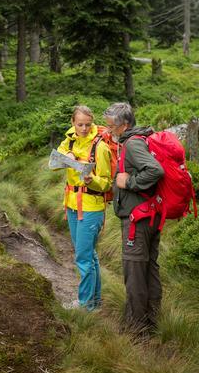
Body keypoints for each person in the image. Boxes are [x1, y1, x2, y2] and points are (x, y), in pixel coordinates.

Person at [104, 101, 164, 337]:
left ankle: (135, 329)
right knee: (149, 269)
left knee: (135, 273)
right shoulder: (138, 140)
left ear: (125, 125)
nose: (108, 130)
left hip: (138, 222)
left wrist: (128, 183)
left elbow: (155, 170)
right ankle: (153, 321)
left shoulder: (133, 144)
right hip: (149, 215)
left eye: (111, 126)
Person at [57, 104, 112, 310]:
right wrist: (67, 157)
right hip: (71, 204)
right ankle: (94, 302)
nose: (84, 128)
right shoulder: (69, 140)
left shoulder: (101, 147)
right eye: (80, 124)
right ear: (73, 123)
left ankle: (86, 305)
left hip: (91, 208)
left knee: (83, 257)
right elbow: (56, 158)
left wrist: (92, 181)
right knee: (89, 255)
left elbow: (107, 182)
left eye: (88, 125)